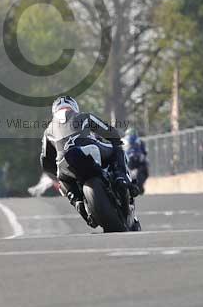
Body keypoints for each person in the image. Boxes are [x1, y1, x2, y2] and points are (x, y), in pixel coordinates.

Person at [40, 95, 136, 227]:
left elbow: (45, 162)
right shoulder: (84, 117)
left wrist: (56, 175)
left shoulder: (48, 131)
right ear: (74, 107)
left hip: (64, 163)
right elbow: (111, 132)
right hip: (88, 149)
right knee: (117, 149)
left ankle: (78, 203)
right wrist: (116, 140)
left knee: (62, 179)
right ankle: (121, 178)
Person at [122, 127, 149, 194]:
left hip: (128, 160)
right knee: (145, 169)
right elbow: (145, 152)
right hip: (137, 160)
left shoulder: (123, 140)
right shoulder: (139, 140)